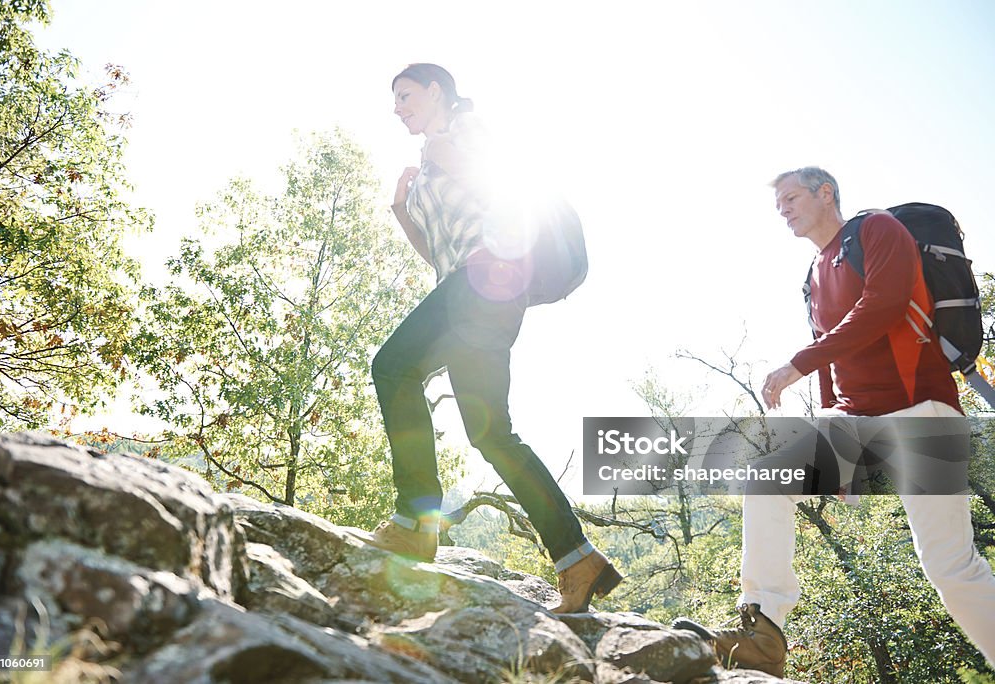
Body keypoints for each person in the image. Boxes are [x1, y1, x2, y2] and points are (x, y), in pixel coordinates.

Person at [677, 167, 995, 676]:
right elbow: (833, 369)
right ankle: (764, 630)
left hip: (921, 411)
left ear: (826, 193)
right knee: (768, 480)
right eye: (777, 203)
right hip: (858, 425)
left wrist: (796, 363)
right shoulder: (813, 275)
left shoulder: (876, 230)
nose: (783, 208)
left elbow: (885, 306)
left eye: (791, 197)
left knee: (951, 569)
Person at [354, 63, 621, 614]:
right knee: (492, 432)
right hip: (466, 288)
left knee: (393, 368)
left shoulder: (465, 130)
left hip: (488, 284)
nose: (397, 107)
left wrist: (493, 246)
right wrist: (402, 211)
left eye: (405, 95)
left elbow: (513, 196)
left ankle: (415, 523)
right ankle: (577, 557)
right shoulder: (427, 164)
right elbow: (440, 257)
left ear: (436, 92)